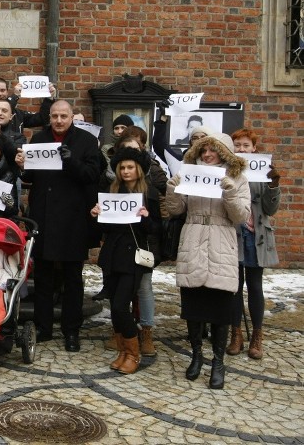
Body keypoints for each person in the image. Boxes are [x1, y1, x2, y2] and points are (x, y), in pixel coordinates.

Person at [16, 100, 102, 352]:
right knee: (43, 276)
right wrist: (23, 167)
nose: (59, 120)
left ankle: (71, 330)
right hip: (43, 216)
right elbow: (31, 177)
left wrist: (71, 161)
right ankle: (44, 327)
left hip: (73, 220)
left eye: (63, 116)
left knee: (72, 278)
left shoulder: (86, 141)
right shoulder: (40, 138)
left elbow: (92, 175)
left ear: (72, 117)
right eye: (54, 116)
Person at [165, 132, 250, 389]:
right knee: (193, 304)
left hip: (221, 240)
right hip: (193, 237)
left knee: (221, 308)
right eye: (203, 151)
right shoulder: (191, 175)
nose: (207, 155)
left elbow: (240, 217)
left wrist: (230, 193)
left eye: (213, 150)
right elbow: (176, 210)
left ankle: (218, 362)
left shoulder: (238, 178)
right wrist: (173, 190)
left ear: (224, 153)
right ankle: (197, 356)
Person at [90, 147, 162, 375]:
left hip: (134, 257)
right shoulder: (113, 192)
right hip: (113, 254)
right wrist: (96, 215)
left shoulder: (148, 194)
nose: (126, 171)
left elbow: (157, 230)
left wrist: (146, 218)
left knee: (121, 306)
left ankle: (133, 353)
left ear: (138, 169)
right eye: (122, 167)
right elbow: (104, 229)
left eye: (130, 167)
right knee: (114, 306)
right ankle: (123, 351)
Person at [228, 128, 282, 360]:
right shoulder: (228, 170)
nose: (241, 149)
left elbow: (270, 210)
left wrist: (273, 186)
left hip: (256, 234)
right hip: (234, 234)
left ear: (254, 148)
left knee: (255, 286)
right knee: (234, 286)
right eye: (237, 145)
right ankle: (236, 333)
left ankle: (257, 335)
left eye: (245, 145)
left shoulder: (262, 170)